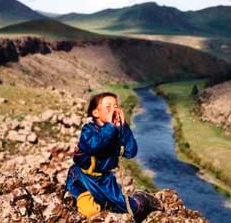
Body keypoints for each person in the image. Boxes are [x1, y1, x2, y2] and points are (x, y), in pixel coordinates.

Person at [65, 92, 163, 222]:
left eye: (116, 106)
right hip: (82, 178)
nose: (114, 110)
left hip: (105, 181)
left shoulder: (115, 132)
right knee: (90, 213)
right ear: (95, 113)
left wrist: (123, 127)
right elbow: (95, 145)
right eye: (108, 107)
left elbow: (130, 151)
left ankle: (143, 198)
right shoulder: (88, 130)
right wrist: (111, 127)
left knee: (130, 210)